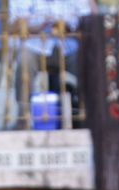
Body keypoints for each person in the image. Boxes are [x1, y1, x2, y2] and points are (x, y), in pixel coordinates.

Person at [11, 0, 90, 128]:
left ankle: (87, 115)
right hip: (35, 45)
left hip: (69, 46)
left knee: (88, 64)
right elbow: (14, 26)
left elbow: (87, 19)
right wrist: (38, 25)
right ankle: (23, 117)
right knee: (24, 62)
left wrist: (69, 27)